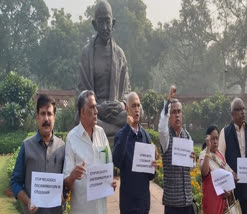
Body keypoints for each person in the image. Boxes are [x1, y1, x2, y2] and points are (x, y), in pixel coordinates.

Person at [78, 0, 130, 137]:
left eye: (108, 22)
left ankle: (107, 130)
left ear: (113, 23)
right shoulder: (86, 54)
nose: (105, 27)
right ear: (94, 24)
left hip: (116, 112)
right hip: (95, 111)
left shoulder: (120, 55)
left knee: (136, 112)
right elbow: (81, 92)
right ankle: (118, 132)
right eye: (101, 22)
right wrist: (97, 108)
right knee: (85, 116)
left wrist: (122, 105)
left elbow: (127, 91)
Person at [63, 90, 116, 214]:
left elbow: (108, 164)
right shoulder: (72, 138)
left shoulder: (101, 133)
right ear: (82, 112)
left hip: (101, 209)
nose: (96, 111)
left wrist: (110, 182)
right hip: (82, 209)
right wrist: (73, 176)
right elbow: (66, 181)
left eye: (96, 107)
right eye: (92, 107)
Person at [10, 95, 65, 214]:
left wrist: (64, 193)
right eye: (43, 113)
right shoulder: (26, 146)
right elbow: (15, 182)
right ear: (37, 117)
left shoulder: (62, 147)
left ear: (54, 117)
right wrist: (28, 201)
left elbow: (66, 181)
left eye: (49, 114)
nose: (46, 118)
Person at [113, 92, 157, 213]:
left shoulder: (145, 136)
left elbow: (150, 176)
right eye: (133, 106)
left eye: (138, 105)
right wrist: (128, 128)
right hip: (128, 203)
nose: (137, 109)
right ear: (127, 109)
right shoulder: (121, 135)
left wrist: (153, 168)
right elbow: (116, 161)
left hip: (143, 202)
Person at [218, 97, 247, 214]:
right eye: (239, 109)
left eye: (243, 108)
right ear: (232, 114)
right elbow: (220, 158)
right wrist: (230, 172)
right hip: (232, 186)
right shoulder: (225, 131)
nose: (243, 112)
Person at [158, 85, 196, 214]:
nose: (177, 115)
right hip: (173, 203)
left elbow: (190, 167)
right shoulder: (166, 137)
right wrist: (168, 100)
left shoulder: (187, 135)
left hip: (187, 200)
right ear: (169, 116)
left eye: (179, 111)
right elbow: (161, 128)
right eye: (174, 112)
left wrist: (193, 160)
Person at [200, 125, 235, 214]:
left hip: (223, 200)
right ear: (207, 139)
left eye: (217, 138)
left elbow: (228, 173)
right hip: (212, 200)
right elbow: (204, 172)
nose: (215, 142)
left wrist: (229, 189)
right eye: (212, 139)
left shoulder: (219, 155)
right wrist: (208, 148)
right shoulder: (203, 154)